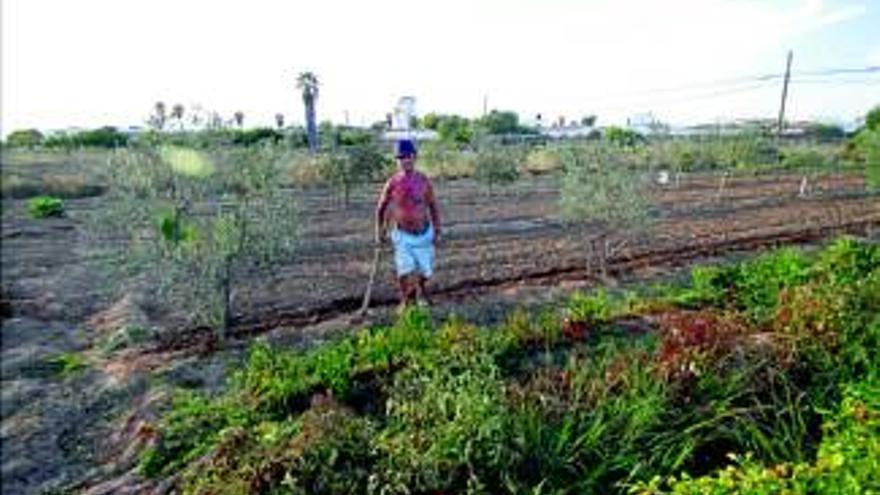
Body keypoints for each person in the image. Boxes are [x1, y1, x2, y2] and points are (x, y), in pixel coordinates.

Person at [375, 139, 442, 308]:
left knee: (426, 270)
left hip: (424, 234)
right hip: (402, 234)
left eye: (408, 156)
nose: (405, 160)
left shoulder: (423, 181)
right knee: (403, 270)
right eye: (401, 157)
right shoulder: (392, 183)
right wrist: (379, 231)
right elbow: (381, 207)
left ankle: (421, 291)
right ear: (397, 160)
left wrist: (437, 229)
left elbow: (433, 205)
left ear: (415, 157)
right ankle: (405, 299)